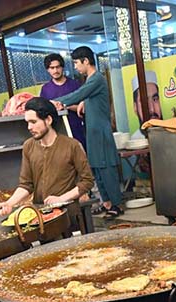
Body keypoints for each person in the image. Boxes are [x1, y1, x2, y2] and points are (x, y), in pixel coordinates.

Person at [52, 46, 123, 218]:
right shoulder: (91, 80)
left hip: (100, 132)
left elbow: (79, 93)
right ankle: (106, 202)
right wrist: (83, 102)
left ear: (86, 61)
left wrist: (55, 102)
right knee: (97, 168)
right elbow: (85, 96)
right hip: (92, 132)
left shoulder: (96, 78)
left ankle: (116, 204)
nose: (75, 67)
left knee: (106, 167)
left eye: (76, 63)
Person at [0, 97, 94, 218]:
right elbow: (26, 185)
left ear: (48, 120)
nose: (29, 127)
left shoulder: (72, 146)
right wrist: (9, 203)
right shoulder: (29, 146)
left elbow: (87, 181)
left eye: (33, 122)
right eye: (27, 122)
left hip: (67, 215)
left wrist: (61, 199)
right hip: (40, 216)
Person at [40, 52, 87, 149]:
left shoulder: (75, 85)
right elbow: (43, 112)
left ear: (62, 67)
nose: (55, 70)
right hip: (56, 133)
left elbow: (83, 108)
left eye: (58, 67)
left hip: (76, 131)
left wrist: (66, 106)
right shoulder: (45, 89)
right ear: (48, 70)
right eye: (52, 68)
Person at [130, 70, 161, 140]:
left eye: (155, 99)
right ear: (135, 107)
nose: (152, 109)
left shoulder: (171, 135)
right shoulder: (135, 140)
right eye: (144, 101)